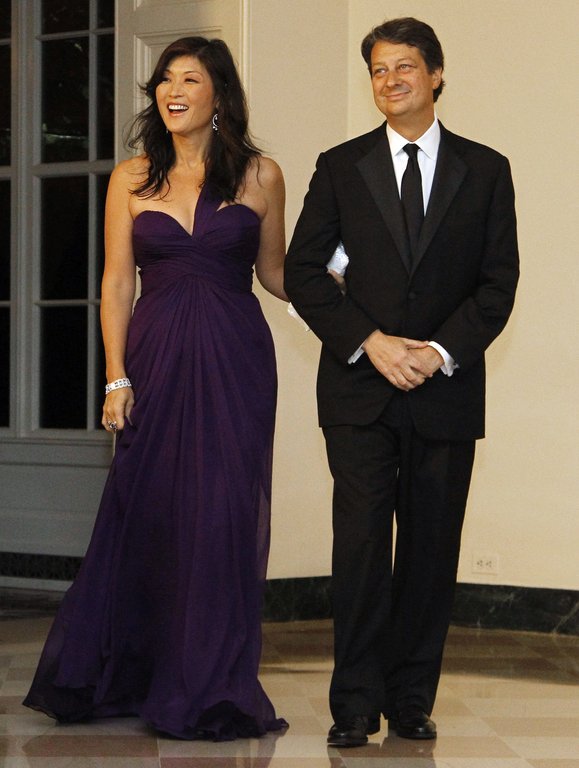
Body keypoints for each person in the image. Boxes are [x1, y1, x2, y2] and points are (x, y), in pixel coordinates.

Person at [23, 36, 288, 741]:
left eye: (190, 79)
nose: (172, 90)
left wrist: (353, 287)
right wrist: (116, 374)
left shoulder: (261, 174)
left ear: (219, 94)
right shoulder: (132, 177)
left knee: (223, 515)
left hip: (236, 360)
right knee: (152, 513)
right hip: (157, 358)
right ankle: (139, 672)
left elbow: (277, 275)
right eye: (165, 79)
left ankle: (212, 684)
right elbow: (116, 283)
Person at [284, 17, 519, 748]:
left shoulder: (486, 169)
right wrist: (370, 342)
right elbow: (302, 272)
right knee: (359, 549)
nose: (390, 80)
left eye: (404, 67)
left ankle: (412, 700)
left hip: (445, 391)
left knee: (430, 550)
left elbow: (497, 284)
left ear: (436, 74)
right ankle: (354, 705)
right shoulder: (339, 166)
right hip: (358, 391)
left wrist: (437, 352)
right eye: (379, 70)